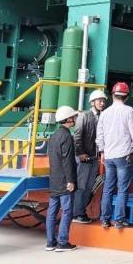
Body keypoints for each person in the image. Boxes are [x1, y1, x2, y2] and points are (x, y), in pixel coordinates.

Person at [96, 82, 133, 229]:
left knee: (108, 188)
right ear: (126, 96)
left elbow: (100, 135)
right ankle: (119, 220)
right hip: (123, 155)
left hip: (109, 156)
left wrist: (102, 152)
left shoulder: (104, 113)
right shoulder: (129, 111)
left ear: (113, 95)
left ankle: (105, 219)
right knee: (122, 188)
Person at [72, 89, 108, 223]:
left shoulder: (103, 117)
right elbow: (77, 136)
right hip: (84, 157)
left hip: (94, 157)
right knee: (81, 186)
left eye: (103, 101)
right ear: (92, 102)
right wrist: (80, 153)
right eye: (99, 101)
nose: (102, 103)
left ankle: (81, 212)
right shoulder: (84, 116)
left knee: (88, 186)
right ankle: (76, 213)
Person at [46, 105, 79, 252]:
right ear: (68, 119)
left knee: (52, 211)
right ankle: (62, 242)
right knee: (67, 211)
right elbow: (68, 161)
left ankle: (50, 242)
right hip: (65, 180)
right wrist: (70, 180)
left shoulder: (54, 136)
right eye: (73, 116)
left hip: (54, 179)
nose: (75, 119)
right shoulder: (67, 137)